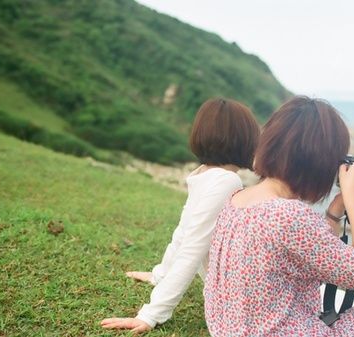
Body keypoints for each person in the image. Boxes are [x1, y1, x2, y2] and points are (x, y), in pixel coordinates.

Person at [204, 96, 354, 337]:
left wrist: (337, 208)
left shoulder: (238, 200)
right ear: (321, 161)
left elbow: (312, 253)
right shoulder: (287, 215)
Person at [100, 98, 261, 333]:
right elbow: (191, 244)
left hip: (239, 288)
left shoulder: (205, 174)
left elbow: (185, 233)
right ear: (245, 140)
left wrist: (160, 276)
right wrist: (152, 312)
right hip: (242, 293)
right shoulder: (227, 180)